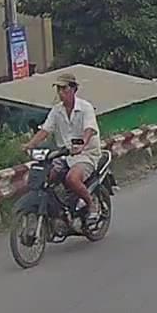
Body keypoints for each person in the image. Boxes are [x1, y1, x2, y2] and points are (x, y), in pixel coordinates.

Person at [22, 72, 103, 224]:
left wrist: (82, 144)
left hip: (86, 154)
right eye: (58, 89)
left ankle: (92, 204)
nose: (60, 92)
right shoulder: (56, 110)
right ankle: (57, 209)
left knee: (72, 179)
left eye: (64, 88)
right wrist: (30, 144)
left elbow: (90, 129)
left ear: (73, 89)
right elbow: (45, 130)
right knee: (44, 177)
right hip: (63, 155)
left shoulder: (85, 108)